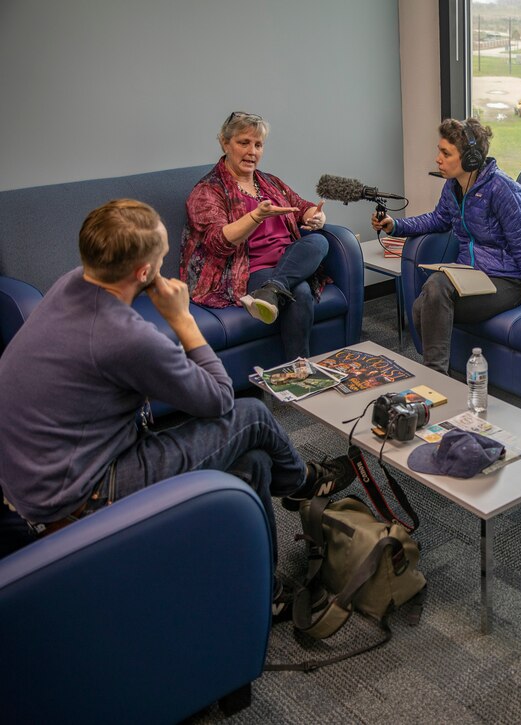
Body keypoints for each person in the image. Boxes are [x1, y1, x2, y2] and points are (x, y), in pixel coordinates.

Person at [0, 199, 355, 615]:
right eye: (162, 258)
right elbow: (219, 399)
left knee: (255, 463)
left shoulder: (70, 283)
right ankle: (301, 484)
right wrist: (184, 320)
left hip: (34, 478)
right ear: (143, 272)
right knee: (253, 414)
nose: (167, 266)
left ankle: (264, 592)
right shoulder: (125, 336)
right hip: (82, 490)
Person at [371, 117, 521, 374]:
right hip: (470, 276)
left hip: (506, 282)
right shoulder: (453, 187)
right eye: (439, 151)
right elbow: (438, 219)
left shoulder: (503, 190)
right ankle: (436, 375)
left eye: (446, 153)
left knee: (435, 288)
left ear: (470, 158)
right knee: (422, 304)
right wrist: (395, 226)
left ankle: (434, 378)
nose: (438, 158)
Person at [182, 111, 330, 363]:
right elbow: (218, 242)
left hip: (287, 262)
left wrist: (314, 216)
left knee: (320, 240)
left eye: (258, 144)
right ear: (225, 143)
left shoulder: (269, 183)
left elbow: (302, 206)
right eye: (244, 143)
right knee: (302, 292)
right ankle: (301, 370)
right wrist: (256, 217)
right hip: (248, 270)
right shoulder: (207, 191)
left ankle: (272, 290)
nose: (252, 151)